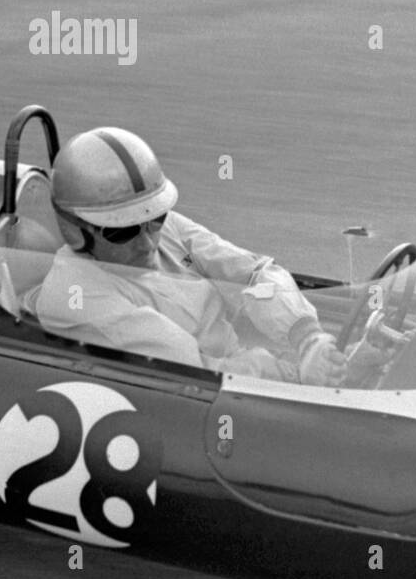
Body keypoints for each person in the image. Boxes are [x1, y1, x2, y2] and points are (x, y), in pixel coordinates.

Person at [34, 126, 350, 385]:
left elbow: (254, 271)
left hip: (249, 370)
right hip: (206, 398)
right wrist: (299, 375)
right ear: (76, 231)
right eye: (121, 232)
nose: (148, 242)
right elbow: (198, 372)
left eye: (155, 219)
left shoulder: (158, 227)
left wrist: (308, 339)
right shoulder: (76, 295)